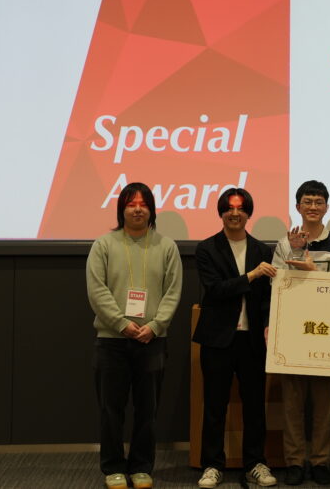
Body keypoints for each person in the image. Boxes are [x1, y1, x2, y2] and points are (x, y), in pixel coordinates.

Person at [86, 182, 182, 489]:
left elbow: (172, 291)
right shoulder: (103, 245)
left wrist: (155, 326)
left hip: (152, 341)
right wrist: (121, 324)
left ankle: (142, 466)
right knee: (110, 409)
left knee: (147, 410)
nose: (138, 209)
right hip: (111, 341)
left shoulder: (166, 246)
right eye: (131, 204)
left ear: (151, 209)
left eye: (143, 204)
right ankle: (113, 466)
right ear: (122, 209)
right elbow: (97, 290)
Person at [193, 188, 279, 488]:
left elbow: (268, 298)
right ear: (221, 212)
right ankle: (212, 465)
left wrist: (268, 324)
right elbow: (215, 290)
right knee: (214, 406)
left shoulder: (262, 250)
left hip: (252, 340)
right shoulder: (207, 248)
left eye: (241, 208)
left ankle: (255, 463)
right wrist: (251, 276)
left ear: (248, 213)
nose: (235, 213)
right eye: (229, 208)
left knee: (254, 406)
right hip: (218, 339)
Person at [271, 180, 330, 486]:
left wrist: (314, 273)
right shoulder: (284, 243)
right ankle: (294, 461)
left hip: (326, 329)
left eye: (319, 202)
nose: (313, 207)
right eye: (308, 202)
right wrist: (295, 252)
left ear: (327, 207)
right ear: (298, 207)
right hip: (292, 328)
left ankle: (320, 461)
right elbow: (275, 283)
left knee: (323, 403)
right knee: (292, 402)